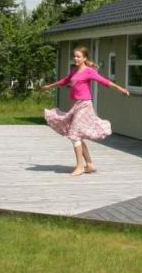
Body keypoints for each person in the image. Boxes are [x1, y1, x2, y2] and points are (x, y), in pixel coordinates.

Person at [42, 46, 130, 176]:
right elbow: (64, 81)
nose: (76, 58)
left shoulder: (89, 71)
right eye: (74, 56)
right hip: (77, 105)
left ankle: (80, 167)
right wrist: (49, 86)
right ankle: (89, 164)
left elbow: (105, 82)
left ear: (84, 58)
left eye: (78, 56)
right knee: (77, 135)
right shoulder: (74, 71)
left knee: (74, 134)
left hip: (85, 105)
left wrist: (121, 89)